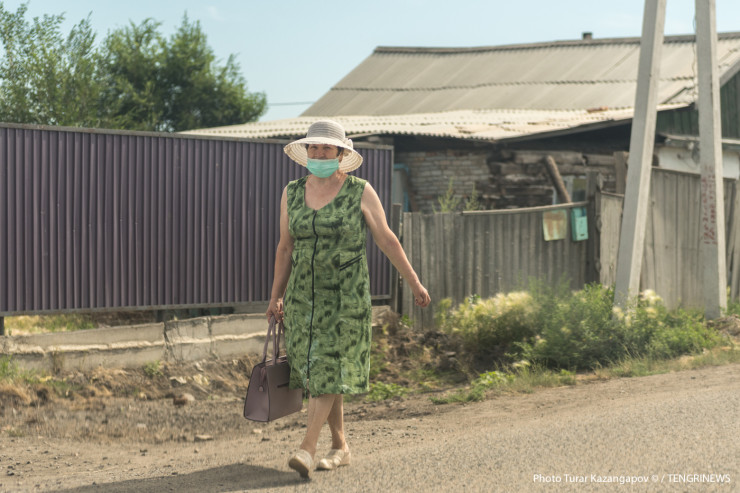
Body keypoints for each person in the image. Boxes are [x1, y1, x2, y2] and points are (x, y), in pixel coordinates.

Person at [265, 119, 430, 479]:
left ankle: (307, 449)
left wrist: (414, 281)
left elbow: (387, 238)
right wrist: (276, 296)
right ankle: (341, 447)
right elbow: (285, 247)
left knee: (328, 367)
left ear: (341, 153)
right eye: (313, 147)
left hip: (345, 298)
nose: (319, 152)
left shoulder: (360, 191)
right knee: (320, 373)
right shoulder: (292, 192)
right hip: (302, 299)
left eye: (326, 147)